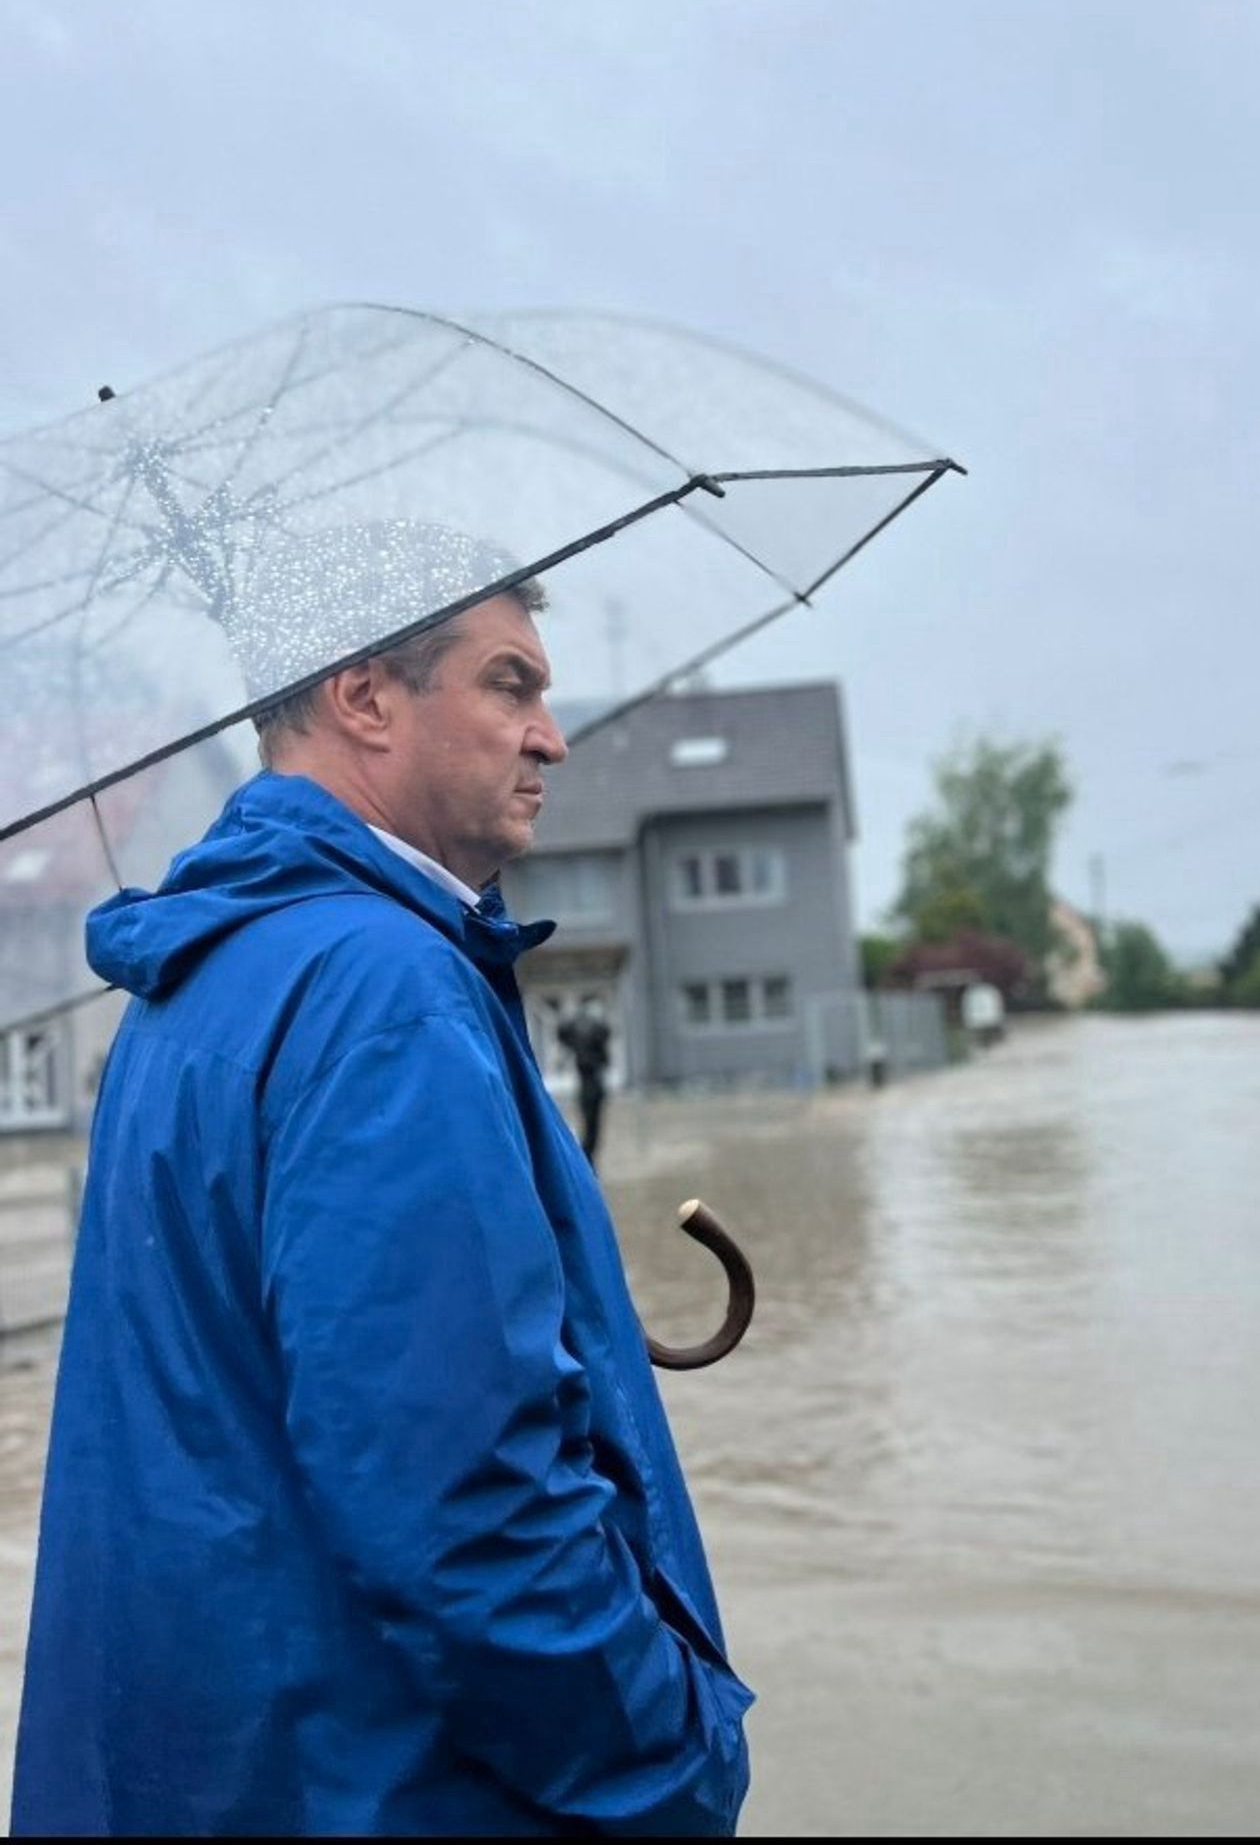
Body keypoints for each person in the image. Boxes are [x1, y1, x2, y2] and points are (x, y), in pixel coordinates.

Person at [12, 572, 753, 1837]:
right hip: (383, 1784)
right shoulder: (384, 986)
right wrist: (673, 1755)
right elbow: (464, 1509)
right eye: (508, 683)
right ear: (363, 696)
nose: (549, 734)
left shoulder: (197, 971)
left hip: (220, 1762)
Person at [557, 994, 612, 1164]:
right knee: (590, 1127)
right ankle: (587, 1158)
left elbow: (604, 1035)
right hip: (589, 1083)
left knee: (592, 1127)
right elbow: (563, 1033)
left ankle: (588, 1158)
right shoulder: (583, 1034)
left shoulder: (592, 1032)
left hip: (593, 1083)